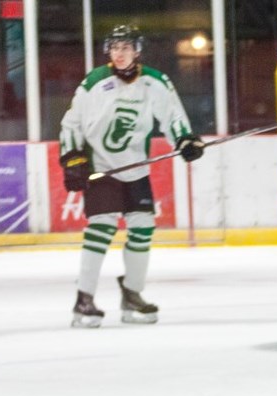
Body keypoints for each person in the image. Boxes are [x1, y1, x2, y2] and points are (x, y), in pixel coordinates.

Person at [59, 24, 205, 328]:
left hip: (135, 168)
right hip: (102, 166)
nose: (119, 53)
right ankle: (84, 298)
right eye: (114, 48)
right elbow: (71, 123)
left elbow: (173, 116)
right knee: (101, 227)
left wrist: (186, 140)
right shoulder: (95, 82)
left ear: (137, 50)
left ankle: (132, 294)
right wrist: (73, 158)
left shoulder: (154, 81)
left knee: (143, 227)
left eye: (125, 47)